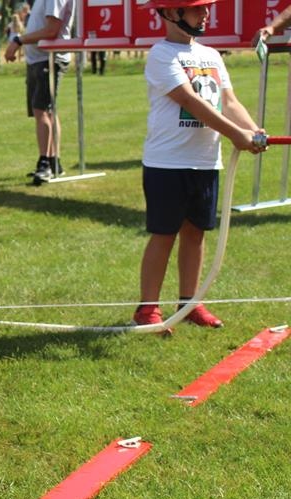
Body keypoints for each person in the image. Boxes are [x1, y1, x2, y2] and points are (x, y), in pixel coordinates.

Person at [132, 0, 265, 332]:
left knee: (195, 234)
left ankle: (190, 304)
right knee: (164, 234)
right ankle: (148, 309)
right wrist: (235, 134)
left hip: (205, 161)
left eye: (206, 7)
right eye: (196, 9)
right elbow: (190, 101)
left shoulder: (212, 55)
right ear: (171, 13)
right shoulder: (161, 54)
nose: (206, 14)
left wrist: (253, 130)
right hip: (167, 163)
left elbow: (228, 101)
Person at [5, 0, 75, 185]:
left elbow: (51, 30)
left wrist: (18, 40)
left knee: (41, 110)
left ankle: (45, 163)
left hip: (49, 58)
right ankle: (53, 162)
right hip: (39, 59)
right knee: (47, 111)